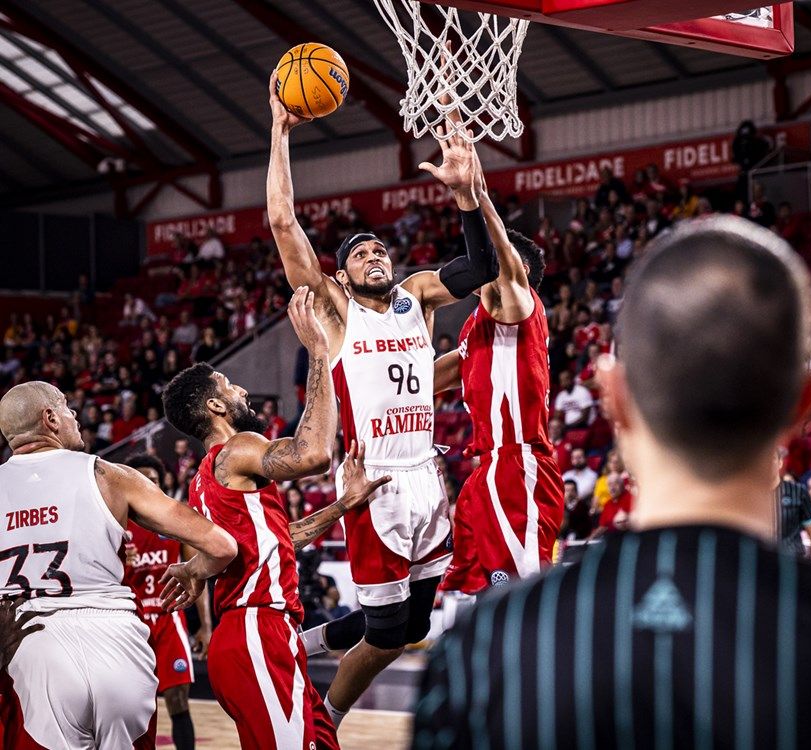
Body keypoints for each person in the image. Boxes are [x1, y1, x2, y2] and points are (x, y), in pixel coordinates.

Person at [412, 215, 811, 747]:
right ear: (804, 402)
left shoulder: (484, 648)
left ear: (613, 395)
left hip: (508, 470)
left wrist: (472, 200)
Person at [268, 76, 499, 729]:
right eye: (360, 252)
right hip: (375, 485)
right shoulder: (337, 311)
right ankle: (325, 718)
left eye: (380, 249)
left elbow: (480, 267)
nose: (375, 254)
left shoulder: (417, 296)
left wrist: (466, 197)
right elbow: (284, 222)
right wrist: (281, 133)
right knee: (389, 634)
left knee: (412, 622)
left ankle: (304, 643)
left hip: (428, 471)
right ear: (341, 274)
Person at [163, 288, 386, 749]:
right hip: (255, 629)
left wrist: (343, 505)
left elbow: (279, 537)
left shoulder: (205, 481)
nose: (241, 389)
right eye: (229, 385)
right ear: (215, 407)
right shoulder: (237, 448)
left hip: (254, 635)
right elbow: (314, 454)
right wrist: (318, 353)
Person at [0, 381, 236, 749]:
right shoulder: (110, 475)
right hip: (117, 644)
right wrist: (192, 572)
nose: (74, 414)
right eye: (66, 406)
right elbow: (221, 545)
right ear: (50, 419)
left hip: (35, 651)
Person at [431, 145, 564, 595]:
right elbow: (421, 383)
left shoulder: (519, 307)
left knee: (522, 600)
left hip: (517, 465)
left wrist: (473, 194)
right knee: (480, 594)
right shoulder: (474, 330)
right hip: (484, 470)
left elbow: (501, 259)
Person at [123, 453, 212, 750]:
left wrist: (206, 627)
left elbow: (198, 574)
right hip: (130, 626)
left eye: (155, 480)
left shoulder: (177, 519)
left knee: (178, 700)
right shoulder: (113, 523)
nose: (150, 485)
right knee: (134, 708)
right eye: (143, 480)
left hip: (168, 619)